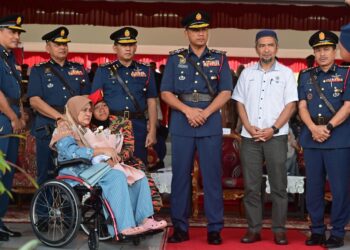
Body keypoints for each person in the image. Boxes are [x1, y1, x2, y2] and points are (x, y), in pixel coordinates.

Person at [160, 11, 233, 245]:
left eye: (204, 29)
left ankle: (214, 228)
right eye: (195, 30)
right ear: (187, 33)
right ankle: (180, 227)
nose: (200, 33)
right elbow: (166, 93)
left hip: (209, 121)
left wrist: (205, 112)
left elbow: (226, 92)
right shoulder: (175, 59)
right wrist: (188, 111)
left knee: (211, 177)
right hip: (182, 121)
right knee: (180, 177)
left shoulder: (220, 59)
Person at [49, 95, 166, 237]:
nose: (88, 114)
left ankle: (144, 220)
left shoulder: (81, 128)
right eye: (84, 110)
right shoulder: (65, 128)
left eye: (89, 110)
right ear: (74, 110)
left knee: (137, 175)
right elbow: (71, 152)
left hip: (90, 170)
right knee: (117, 175)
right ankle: (125, 226)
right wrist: (103, 150)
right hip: (75, 172)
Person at [232, 29, 298, 245]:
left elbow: (291, 105)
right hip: (250, 137)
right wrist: (249, 127)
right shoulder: (247, 73)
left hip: (275, 136)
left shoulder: (287, 73)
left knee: (279, 186)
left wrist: (273, 128)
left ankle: (279, 230)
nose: (266, 49)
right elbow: (239, 102)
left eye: (270, 45)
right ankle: (254, 229)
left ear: (276, 47)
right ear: (256, 48)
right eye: (262, 45)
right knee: (252, 186)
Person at [298, 30, 350, 248]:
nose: (322, 54)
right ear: (314, 52)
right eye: (318, 50)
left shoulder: (346, 73)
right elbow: (301, 106)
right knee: (314, 189)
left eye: (326, 49)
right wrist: (312, 128)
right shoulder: (305, 75)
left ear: (335, 50)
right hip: (312, 139)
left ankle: (337, 232)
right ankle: (317, 230)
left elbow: (348, 106)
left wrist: (327, 127)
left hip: (337, 137)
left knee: (340, 189)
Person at [27, 26, 91, 186]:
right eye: (57, 44)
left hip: (74, 127)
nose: (62, 47)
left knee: (74, 169)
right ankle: (43, 210)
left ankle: (69, 209)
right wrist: (60, 117)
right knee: (47, 172)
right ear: (48, 47)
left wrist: (75, 118)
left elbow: (86, 98)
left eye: (65, 44)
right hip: (47, 126)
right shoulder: (39, 70)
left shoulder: (78, 69)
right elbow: (34, 100)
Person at [91, 27, 157, 165]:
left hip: (138, 124)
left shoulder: (146, 70)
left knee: (139, 164)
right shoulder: (103, 71)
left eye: (131, 44)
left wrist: (152, 131)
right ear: (115, 48)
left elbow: (151, 101)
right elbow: (95, 101)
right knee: (113, 166)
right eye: (123, 45)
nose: (128, 48)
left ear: (136, 47)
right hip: (112, 125)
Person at [89, 89, 163, 212]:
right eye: (98, 108)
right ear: (91, 112)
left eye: (105, 106)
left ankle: (148, 212)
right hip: (102, 166)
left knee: (141, 173)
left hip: (126, 161)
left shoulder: (122, 122)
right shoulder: (88, 128)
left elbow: (129, 147)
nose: (103, 110)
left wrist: (118, 159)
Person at [0, 14, 26, 242]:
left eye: (18, 33)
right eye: (12, 31)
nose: (16, 36)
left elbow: (15, 89)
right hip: (2, 120)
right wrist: (11, 116)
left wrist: (21, 113)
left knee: (6, 175)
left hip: (11, 118)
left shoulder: (9, 58)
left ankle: (0, 222)